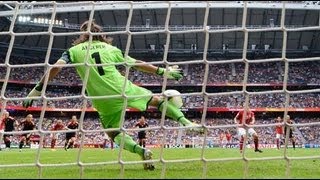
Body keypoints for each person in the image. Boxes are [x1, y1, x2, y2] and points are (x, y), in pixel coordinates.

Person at [22, 20, 203, 170]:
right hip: (123, 87)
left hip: (102, 98)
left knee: (113, 132)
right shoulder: (111, 49)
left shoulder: (72, 52)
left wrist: (37, 89)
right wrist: (163, 72)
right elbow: (136, 64)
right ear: (101, 33)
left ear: (82, 35)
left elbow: (55, 68)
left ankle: (141, 152)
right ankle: (187, 123)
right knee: (156, 101)